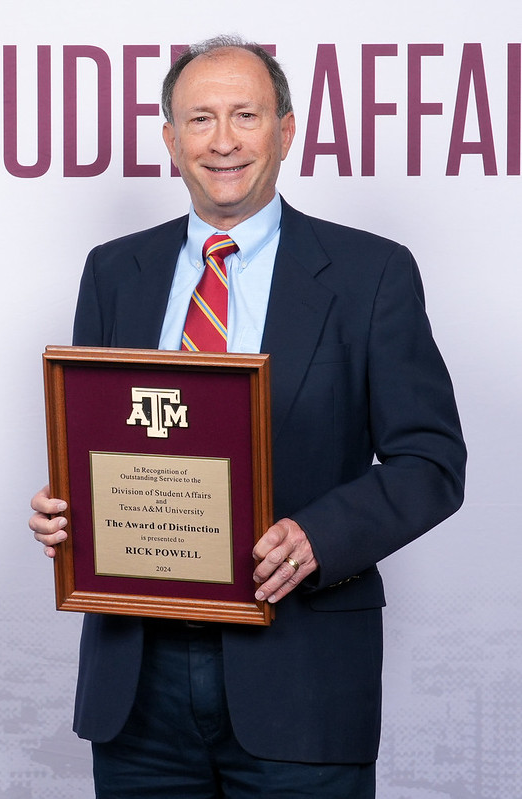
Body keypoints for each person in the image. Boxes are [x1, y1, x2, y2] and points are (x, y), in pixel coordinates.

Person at [29, 35, 466, 798]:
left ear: (286, 129)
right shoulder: (113, 270)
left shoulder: (371, 273)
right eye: (199, 119)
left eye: (245, 115)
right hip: (136, 687)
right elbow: (103, 436)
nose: (223, 141)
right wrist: (65, 510)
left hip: (301, 684)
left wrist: (318, 536)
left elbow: (429, 461)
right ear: (170, 139)